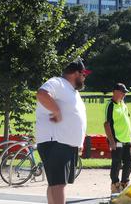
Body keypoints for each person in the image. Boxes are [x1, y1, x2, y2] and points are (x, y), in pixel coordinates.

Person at [35, 58, 90, 204]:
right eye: (83, 74)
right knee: (59, 184)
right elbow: (41, 94)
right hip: (56, 141)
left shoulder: (70, 90)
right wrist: (56, 110)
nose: (85, 78)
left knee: (55, 183)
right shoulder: (58, 82)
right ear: (76, 73)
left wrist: (79, 141)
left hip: (65, 142)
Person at [104, 82, 131, 194]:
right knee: (117, 163)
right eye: (122, 92)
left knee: (129, 163)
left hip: (127, 140)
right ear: (115, 92)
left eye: (125, 93)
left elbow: (128, 120)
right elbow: (106, 124)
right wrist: (111, 141)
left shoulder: (123, 104)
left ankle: (124, 183)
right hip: (117, 141)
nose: (124, 94)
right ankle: (115, 185)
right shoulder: (110, 105)